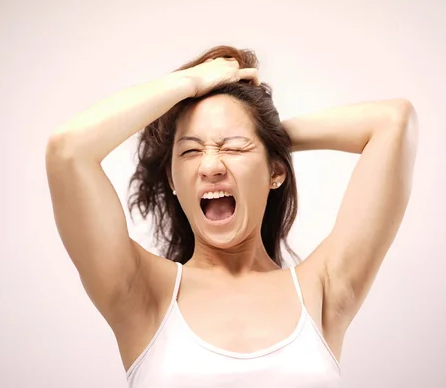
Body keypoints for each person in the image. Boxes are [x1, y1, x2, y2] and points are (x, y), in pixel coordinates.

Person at [45, 45, 419, 387]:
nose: (210, 165)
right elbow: (68, 150)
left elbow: (393, 122)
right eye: (191, 152)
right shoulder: (141, 293)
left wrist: (271, 138)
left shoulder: (323, 289)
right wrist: (191, 82)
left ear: (276, 172)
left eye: (234, 148)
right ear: (173, 180)